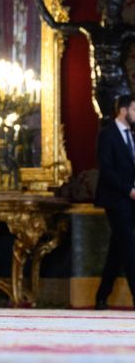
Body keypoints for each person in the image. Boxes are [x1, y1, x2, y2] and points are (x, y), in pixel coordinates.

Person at [31, 0, 135, 119]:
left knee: (129, 123)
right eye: (110, 5)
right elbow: (55, 25)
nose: (113, 9)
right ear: (103, 6)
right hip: (101, 85)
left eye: (116, 6)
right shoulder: (91, 29)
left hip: (120, 83)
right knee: (105, 122)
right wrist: (38, 0)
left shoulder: (125, 31)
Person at [94, 95, 135, 310]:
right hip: (116, 199)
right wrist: (129, 190)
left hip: (131, 201)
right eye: (134, 110)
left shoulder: (132, 136)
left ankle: (101, 296)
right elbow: (107, 170)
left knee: (117, 249)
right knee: (129, 247)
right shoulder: (107, 135)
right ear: (123, 111)